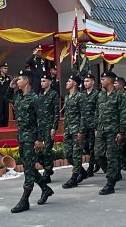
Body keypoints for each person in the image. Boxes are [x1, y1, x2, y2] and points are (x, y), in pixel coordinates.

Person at [7, 70, 53, 213]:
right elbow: (6, 97)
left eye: (19, 79)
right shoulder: (19, 97)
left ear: (26, 81)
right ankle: (45, 189)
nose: (17, 81)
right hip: (21, 136)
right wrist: (10, 86)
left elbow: (42, 121)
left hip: (31, 138)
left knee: (28, 170)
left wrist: (40, 140)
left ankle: (24, 200)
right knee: (29, 167)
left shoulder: (35, 98)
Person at [94, 71, 126, 195]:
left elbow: (123, 115)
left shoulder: (119, 95)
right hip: (101, 130)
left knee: (112, 157)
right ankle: (113, 174)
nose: (101, 81)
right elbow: (97, 112)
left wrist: (121, 132)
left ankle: (110, 183)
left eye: (103, 79)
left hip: (113, 131)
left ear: (109, 80)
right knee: (98, 155)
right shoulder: (100, 95)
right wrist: (96, 127)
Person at [62, 75, 87, 188]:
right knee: (67, 153)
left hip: (77, 130)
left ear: (75, 84)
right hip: (68, 130)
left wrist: (81, 131)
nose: (66, 82)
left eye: (69, 81)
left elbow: (83, 115)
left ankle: (74, 178)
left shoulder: (80, 97)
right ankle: (82, 171)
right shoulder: (67, 97)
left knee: (76, 155)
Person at [37, 74, 60, 183]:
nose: (42, 83)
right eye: (41, 81)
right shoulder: (40, 95)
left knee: (47, 150)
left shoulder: (54, 94)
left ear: (50, 82)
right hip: (40, 127)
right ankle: (49, 168)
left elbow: (56, 112)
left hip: (49, 127)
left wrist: (54, 127)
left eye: (44, 81)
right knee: (39, 152)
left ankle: (47, 173)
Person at [82, 73, 99, 176]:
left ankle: (91, 166)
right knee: (85, 146)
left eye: (87, 81)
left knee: (92, 146)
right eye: (84, 81)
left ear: (93, 82)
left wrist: (97, 126)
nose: (85, 83)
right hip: (84, 125)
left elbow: (98, 110)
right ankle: (96, 161)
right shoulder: (82, 94)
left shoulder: (97, 94)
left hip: (93, 124)